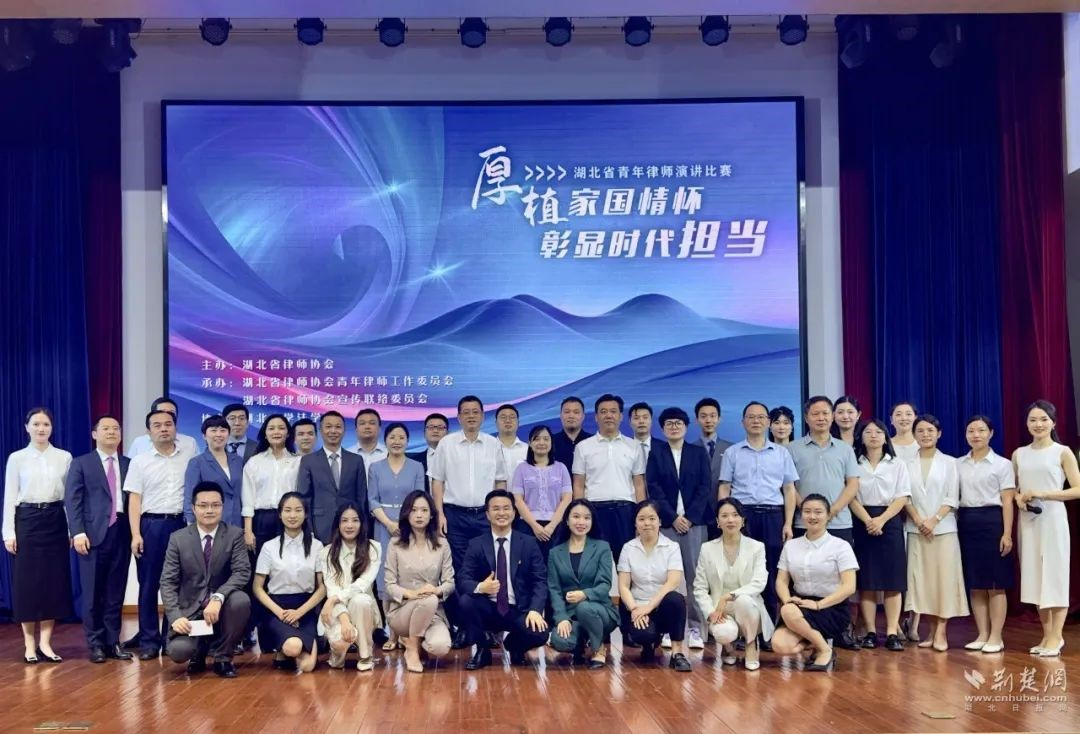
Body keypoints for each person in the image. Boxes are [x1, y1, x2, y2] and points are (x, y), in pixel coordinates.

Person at [3, 408, 73, 663]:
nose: (41, 428)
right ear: (27, 427)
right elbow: (10, 496)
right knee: (28, 584)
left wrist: (71, 530)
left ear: (52, 428)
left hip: (55, 520)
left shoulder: (64, 457)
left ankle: (45, 643)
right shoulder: (17, 458)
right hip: (27, 520)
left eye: (46, 424)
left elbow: (69, 498)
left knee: (52, 582)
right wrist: (8, 533)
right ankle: (29, 644)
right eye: (36, 424)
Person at [717, 401, 799, 620]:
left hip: (773, 515)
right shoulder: (732, 452)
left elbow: (789, 489)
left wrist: (788, 523)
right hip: (743, 516)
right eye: (751, 417)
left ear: (768, 422)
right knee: (743, 569)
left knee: (772, 569)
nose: (756, 421)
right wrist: (725, 519)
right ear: (743, 422)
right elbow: (725, 487)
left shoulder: (781, 453)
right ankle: (745, 625)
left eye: (761, 417)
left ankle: (770, 625)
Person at [160, 481, 251, 678]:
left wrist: (218, 597)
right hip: (191, 613)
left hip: (222, 610)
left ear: (222, 507)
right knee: (178, 651)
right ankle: (198, 652)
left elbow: (242, 572)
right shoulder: (178, 538)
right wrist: (175, 617)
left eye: (215, 505)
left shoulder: (234, 535)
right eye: (203, 505)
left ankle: (223, 658)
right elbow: (167, 582)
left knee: (241, 600)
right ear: (193, 508)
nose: (209, 510)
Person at [1013, 400, 1080, 658]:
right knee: (1034, 578)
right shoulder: (1019, 454)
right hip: (1028, 521)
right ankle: (1047, 634)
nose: (1038, 424)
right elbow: (1015, 489)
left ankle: (1056, 636)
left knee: (1055, 576)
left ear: (1053, 422)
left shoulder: (1062, 452)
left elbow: (1077, 489)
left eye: (1043, 419)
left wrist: (1043, 493)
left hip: (1053, 520)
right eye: (1033, 420)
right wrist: (1019, 499)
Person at [65, 415, 133, 663]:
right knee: (93, 593)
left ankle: (112, 642)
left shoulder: (128, 464)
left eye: (116, 428)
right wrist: (77, 532)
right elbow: (72, 500)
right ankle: (95, 644)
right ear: (95, 434)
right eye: (106, 428)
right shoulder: (81, 463)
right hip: (92, 535)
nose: (112, 432)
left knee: (116, 592)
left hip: (122, 532)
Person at [127, 407, 193, 659]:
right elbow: (134, 500)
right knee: (148, 585)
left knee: (178, 584)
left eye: (168, 424)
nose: (164, 429)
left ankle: (171, 637)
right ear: (148, 431)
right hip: (151, 526)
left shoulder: (189, 457)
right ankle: (149, 642)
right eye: (157, 425)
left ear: (175, 428)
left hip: (181, 525)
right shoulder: (140, 461)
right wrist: (136, 534)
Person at [457, 489, 549, 669]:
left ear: (514, 513)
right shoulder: (476, 544)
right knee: (466, 601)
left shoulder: (528, 543)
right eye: (496, 509)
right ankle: (482, 650)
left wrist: (535, 609)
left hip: (517, 608)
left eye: (506, 508)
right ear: (487, 514)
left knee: (540, 633)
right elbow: (463, 578)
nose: (501, 513)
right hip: (488, 607)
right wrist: (481, 587)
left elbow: (539, 580)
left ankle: (515, 646)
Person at [646, 406, 712, 650]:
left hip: (695, 524)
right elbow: (654, 488)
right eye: (669, 423)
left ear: (686, 426)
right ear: (662, 429)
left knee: (695, 577)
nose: (674, 427)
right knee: (666, 578)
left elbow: (705, 487)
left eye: (678, 423)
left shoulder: (698, 452)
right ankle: (667, 628)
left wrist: (690, 517)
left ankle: (695, 627)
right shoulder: (656, 453)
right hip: (667, 524)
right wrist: (673, 517)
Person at [770, 494, 859, 672]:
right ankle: (818, 643)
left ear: (828, 515)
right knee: (780, 645)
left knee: (787, 611)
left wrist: (819, 605)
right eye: (807, 511)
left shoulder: (840, 546)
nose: (812, 516)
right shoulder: (791, 546)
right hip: (799, 605)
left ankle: (825, 650)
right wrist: (787, 599)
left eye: (818, 512)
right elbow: (781, 580)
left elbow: (849, 587)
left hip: (831, 607)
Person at [904, 415, 968, 651]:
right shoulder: (905, 464)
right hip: (916, 530)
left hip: (943, 530)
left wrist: (934, 520)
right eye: (920, 431)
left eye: (930, 430)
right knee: (923, 583)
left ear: (939, 433)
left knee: (944, 581)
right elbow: (904, 496)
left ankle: (941, 631)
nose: (925, 435)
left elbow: (952, 497)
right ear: (914, 435)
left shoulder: (950, 462)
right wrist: (918, 519)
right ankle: (930, 631)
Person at [849, 419, 910, 651]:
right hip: (862, 521)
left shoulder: (897, 464)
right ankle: (871, 631)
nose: (873, 435)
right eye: (868, 432)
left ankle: (892, 632)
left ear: (886, 437)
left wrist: (881, 520)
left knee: (893, 580)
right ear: (861, 437)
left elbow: (902, 496)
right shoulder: (854, 462)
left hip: (890, 520)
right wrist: (868, 521)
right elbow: (851, 496)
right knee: (868, 581)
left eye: (878, 432)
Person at [957, 415, 1015, 654]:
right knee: (975, 583)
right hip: (966, 522)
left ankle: (996, 636)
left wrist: (1007, 533)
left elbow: (1008, 501)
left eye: (981, 430)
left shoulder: (1002, 464)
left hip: (993, 522)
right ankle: (982, 634)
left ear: (991, 433)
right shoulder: (958, 464)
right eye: (971, 431)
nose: (976, 435)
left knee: (995, 584)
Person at [693, 498, 773, 671]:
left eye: (735, 515)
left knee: (743, 599)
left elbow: (759, 582)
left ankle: (751, 644)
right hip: (720, 610)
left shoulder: (756, 547)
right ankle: (728, 647)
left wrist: (728, 596)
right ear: (717, 521)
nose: (730, 520)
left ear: (743, 520)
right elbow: (699, 587)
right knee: (723, 632)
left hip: (749, 608)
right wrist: (710, 612)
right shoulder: (707, 549)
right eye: (725, 516)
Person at [253, 492, 326, 673]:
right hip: (277, 609)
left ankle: (292, 650)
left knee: (307, 667)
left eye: (298, 510)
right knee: (293, 647)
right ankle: (286, 649)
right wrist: (280, 613)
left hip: (305, 608)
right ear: (279, 514)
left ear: (306, 514)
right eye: (287, 510)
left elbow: (322, 588)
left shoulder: (317, 546)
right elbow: (257, 587)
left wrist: (300, 612)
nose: (292, 515)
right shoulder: (269, 547)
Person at [368, 422, 425, 649]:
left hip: (411, 525)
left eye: (401, 437)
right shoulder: (375, 467)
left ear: (408, 441)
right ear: (385, 440)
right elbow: (372, 500)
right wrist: (389, 523)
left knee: (408, 575)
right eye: (392, 437)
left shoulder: (417, 467)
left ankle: (407, 632)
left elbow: (420, 498)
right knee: (386, 578)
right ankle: (391, 633)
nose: (397, 441)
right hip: (383, 526)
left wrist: (405, 523)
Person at [384, 490, 455, 673]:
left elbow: (450, 583)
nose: (419, 515)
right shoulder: (395, 543)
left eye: (424, 510)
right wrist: (412, 594)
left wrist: (437, 590)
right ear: (406, 514)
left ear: (431, 515)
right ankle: (412, 648)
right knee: (428, 600)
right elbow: (389, 585)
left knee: (440, 647)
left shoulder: (442, 544)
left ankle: (416, 639)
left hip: (433, 612)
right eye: (414, 510)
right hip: (402, 611)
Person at [617, 500, 691, 671]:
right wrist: (635, 609)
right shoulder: (628, 548)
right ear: (635, 523)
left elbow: (673, 581)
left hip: (662, 606)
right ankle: (648, 644)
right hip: (638, 606)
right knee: (643, 635)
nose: (647, 523)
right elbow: (623, 586)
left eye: (652, 518)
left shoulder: (672, 547)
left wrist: (649, 607)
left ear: (660, 522)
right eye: (641, 519)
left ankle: (677, 653)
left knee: (676, 599)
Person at [572, 394, 646, 562]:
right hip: (595, 511)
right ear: (596, 417)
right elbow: (578, 485)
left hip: (626, 512)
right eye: (603, 412)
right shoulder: (583, 447)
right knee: (595, 562)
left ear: (621, 416)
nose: (608, 415)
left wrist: (641, 516)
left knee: (626, 562)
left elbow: (639, 485)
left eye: (613, 411)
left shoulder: (634, 446)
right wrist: (580, 515)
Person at [546, 499, 619, 669]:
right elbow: (554, 590)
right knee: (560, 641)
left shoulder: (602, 547)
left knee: (585, 608)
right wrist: (562, 618)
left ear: (592, 521)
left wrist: (584, 594)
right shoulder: (555, 553)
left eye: (587, 518)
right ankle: (581, 641)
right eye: (576, 517)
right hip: (571, 614)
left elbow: (604, 584)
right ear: (567, 520)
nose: (581, 522)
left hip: (600, 611)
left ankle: (598, 649)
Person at [788, 396, 860, 544]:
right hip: (804, 522)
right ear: (806, 418)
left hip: (839, 522)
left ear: (832, 416)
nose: (821, 418)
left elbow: (853, 484)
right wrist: (807, 510)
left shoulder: (845, 449)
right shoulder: (792, 449)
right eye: (815, 414)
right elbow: (788, 486)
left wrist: (831, 511)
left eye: (825, 413)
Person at [318, 502, 382, 671]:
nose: (349, 525)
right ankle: (337, 656)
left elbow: (363, 584)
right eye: (344, 520)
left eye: (355, 520)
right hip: (336, 611)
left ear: (362, 523)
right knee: (341, 641)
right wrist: (344, 619)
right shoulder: (326, 552)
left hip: (363, 609)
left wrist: (334, 599)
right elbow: (332, 588)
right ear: (338, 524)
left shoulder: (374, 548)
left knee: (360, 599)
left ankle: (365, 654)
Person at [296, 411, 366, 544]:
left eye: (338, 427)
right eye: (328, 427)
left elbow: (361, 498)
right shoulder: (308, 461)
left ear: (344, 430)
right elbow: (304, 499)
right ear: (320, 430)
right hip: (319, 526)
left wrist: (362, 526)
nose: (333, 431)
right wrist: (308, 529)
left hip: (350, 526)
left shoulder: (356, 460)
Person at [242, 414, 301, 559]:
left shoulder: (297, 461)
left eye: (281, 428)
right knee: (261, 562)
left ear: (288, 434)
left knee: (288, 561)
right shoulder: (254, 462)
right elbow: (248, 499)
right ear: (265, 434)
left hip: (290, 517)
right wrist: (248, 531)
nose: (276, 432)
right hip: (261, 519)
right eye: (271, 428)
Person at [510, 424, 573, 555]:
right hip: (527, 526)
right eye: (537, 439)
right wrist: (535, 526)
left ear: (551, 442)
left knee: (554, 562)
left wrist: (551, 526)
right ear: (530, 443)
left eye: (546, 439)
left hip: (556, 526)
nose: (541, 443)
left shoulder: (561, 468)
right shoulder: (521, 469)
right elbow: (518, 500)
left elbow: (567, 499)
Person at [184, 415, 243, 527]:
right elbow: (190, 495)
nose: (218, 434)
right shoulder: (197, 462)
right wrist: (191, 522)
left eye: (223, 430)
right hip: (209, 523)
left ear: (228, 434)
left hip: (237, 523)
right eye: (214, 430)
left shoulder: (238, 461)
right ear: (204, 436)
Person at [127, 396, 199, 457]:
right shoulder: (139, 443)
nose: (166, 416)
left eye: (171, 413)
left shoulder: (190, 442)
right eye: (162, 412)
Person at [693, 397, 733, 491]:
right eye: (703, 416)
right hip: (698, 499)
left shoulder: (731, 449)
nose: (708, 420)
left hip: (725, 499)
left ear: (719, 419)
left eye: (712, 416)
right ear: (697, 420)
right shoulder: (689, 450)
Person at [407, 412, 449, 492]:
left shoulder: (457, 457)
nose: (435, 430)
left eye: (440, 428)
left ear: (447, 433)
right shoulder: (414, 461)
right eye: (431, 427)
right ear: (424, 433)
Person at [551, 396, 593, 469]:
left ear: (583, 416)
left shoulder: (593, 442)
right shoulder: (550, 443)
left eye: (576, 412)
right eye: (567, 412)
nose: (571, 416)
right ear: (560, 415)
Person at [495, 404, 528, 479]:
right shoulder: (488, 449)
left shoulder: (528, 450)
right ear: (496, 423)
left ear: (518, 423)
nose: (508, 421)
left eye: (512, 417)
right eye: (503, 417)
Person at [350, 408, 387, 477]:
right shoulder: (346, 455)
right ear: (356, 430)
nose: (367, 427)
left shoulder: (389, 454)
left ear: (379, 429)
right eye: (362, 423)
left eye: (372, 423)